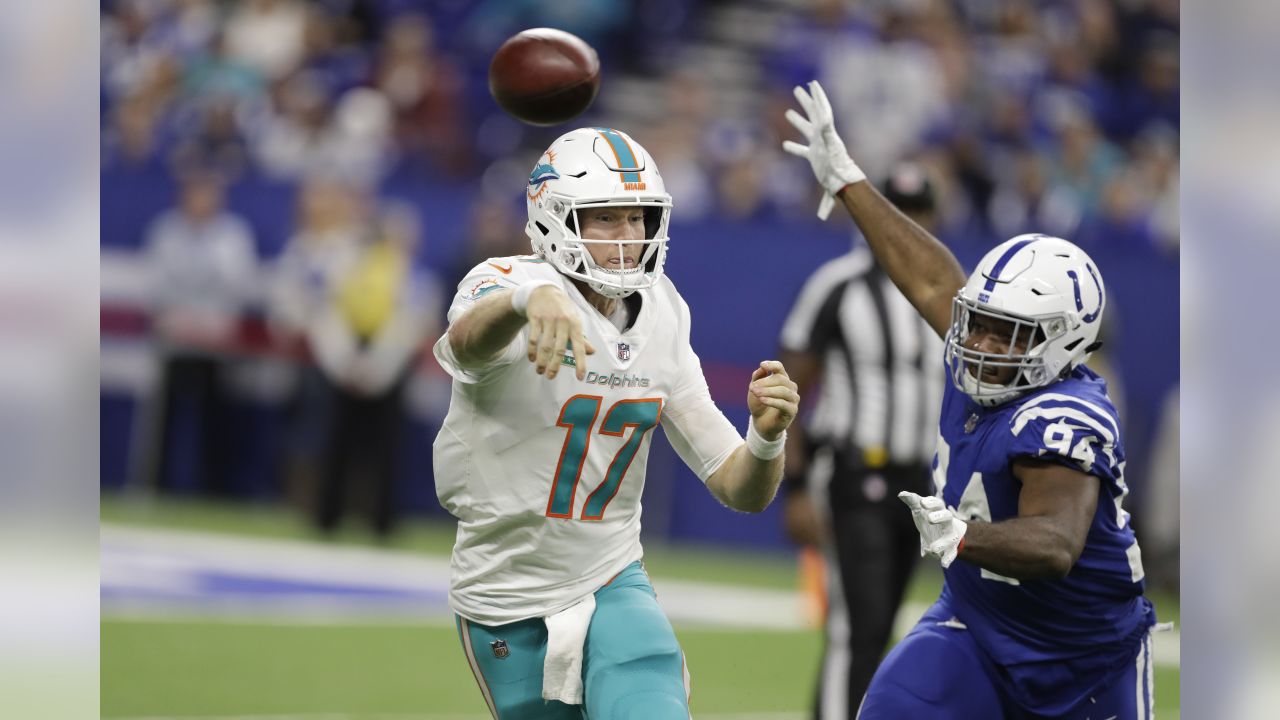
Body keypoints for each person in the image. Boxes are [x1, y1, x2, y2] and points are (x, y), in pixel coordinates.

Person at [784, 81, 1158, 719]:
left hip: (1083, 656)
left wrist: (965, 535)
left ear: (1062, 340)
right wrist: (849, 181)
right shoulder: (980, 356)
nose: (980, 342)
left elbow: (1055, 543)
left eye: (1005, 332)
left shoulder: (1067, 415)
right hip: (974, 628)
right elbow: (932, 280)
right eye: (979, 321)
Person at [432, 127, 800, 719]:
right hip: (502, 592)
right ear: (553, 219)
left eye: (638, 219)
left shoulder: (664, 311)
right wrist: (527, 303)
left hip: (610, 576)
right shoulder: (503, 284)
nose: (627, 240)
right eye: (605, 219)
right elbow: (466, 345)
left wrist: (767, 436)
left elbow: (738, 486)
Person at [778, 162, 945, 719]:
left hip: (919, 484)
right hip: (855, 472)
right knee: (857, 627)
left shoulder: (945, 294)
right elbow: (789, 390)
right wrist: (796, 486)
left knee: (881, 630)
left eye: (916, 211)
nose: (907, 223)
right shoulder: (838, 285)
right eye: (897, 210)